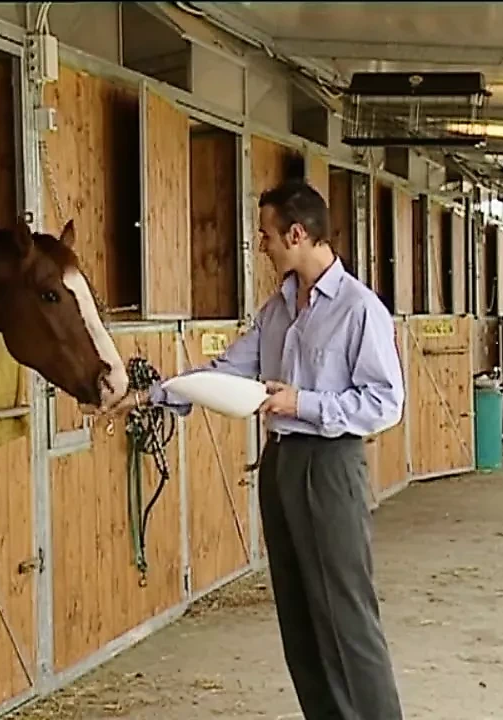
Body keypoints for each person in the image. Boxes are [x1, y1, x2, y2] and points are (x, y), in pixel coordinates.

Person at [106, 179, 406, 719]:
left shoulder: (360, 309)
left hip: (329, 464)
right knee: (298, 611)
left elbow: (385, 402)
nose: (260, 245)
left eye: (265, 235)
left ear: (297, 233)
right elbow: (226, 372)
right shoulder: (279, 308)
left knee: (346, 615)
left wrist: (304, 404)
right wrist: (148, 396)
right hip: (282, 465)